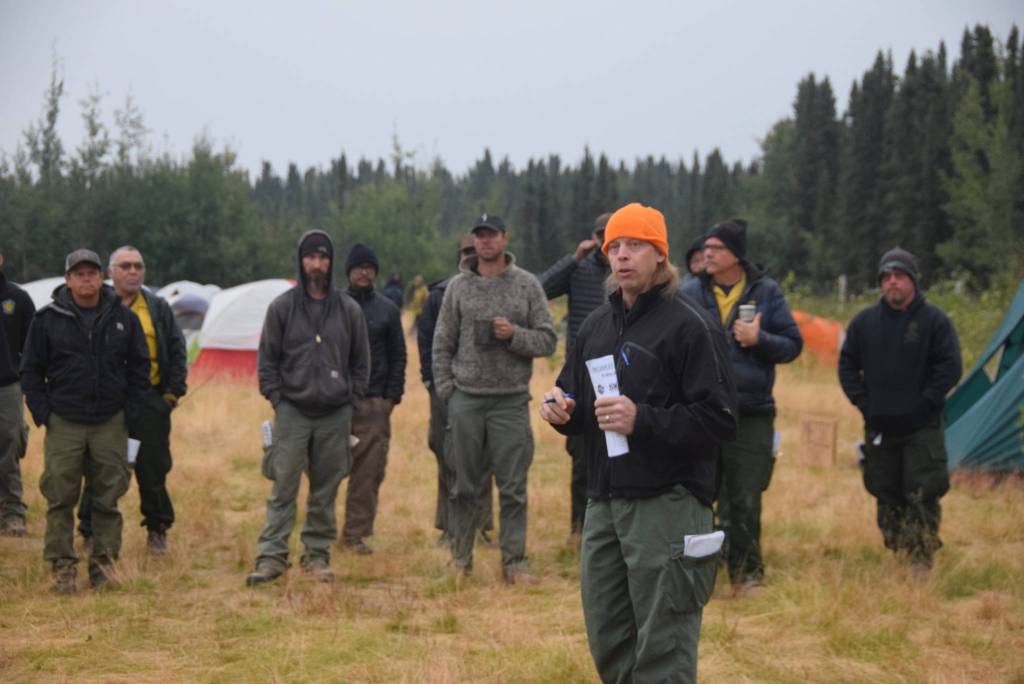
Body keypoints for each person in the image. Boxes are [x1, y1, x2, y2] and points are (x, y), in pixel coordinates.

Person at [540, 202, 737, 683]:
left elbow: (720, 419)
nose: (623, 255)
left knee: (662, 643)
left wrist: (642, 419)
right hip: (605, 502)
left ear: (659, 255)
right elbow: (576, 397)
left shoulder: (692, 325)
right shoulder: (595, 326)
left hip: (667, 502)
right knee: (608, 635)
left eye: (635, 246)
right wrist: (561, 410)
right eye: (615, 246)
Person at [680, 218, 802, 596]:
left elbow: (792, 345)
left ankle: (748, 574)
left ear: (736, 255)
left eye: (716, 248)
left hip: (750, 413)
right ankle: (699, 573)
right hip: (701, 413)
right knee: (698, 494)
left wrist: (759, 338)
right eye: (706, 248)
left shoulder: (766, 293)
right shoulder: (687, 292)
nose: (707, 254)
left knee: (745, 496)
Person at [432, 213, 556, 583]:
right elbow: (442, 343)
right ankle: (460, 559)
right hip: (466, 398)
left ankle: (514, 562)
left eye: (492, 235)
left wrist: (514, 334)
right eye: (480, 236)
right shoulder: (458, 287)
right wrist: (447, 391)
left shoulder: (527, 285)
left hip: (510, 400)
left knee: (513, 487)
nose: (486, 242)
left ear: (505, 238)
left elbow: (548, 340)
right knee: (463, 485)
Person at [20, 249, 150, 592]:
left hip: (110, 421)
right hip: (64, 421)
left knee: (108, 496)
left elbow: (140, 369)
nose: (86, 279)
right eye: (78, 274)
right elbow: (31, 370)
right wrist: (44, 413)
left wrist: (130, 413)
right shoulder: (47, 319)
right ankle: (62, 567)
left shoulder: (123, 318)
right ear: (67, 279)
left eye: (91, 273)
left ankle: (104, 566)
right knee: (60, 497)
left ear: (101, 277)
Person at [247, 230, 370, 586]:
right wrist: (277, 398)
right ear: (301, 262)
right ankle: (271, 557)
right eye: (310, 257)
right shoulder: (282, 308)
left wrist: (352, 399)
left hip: (335, 412)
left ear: (331, 262)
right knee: (283, 486)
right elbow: (267, 359)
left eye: (323, 257)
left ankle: (316, 556)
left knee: (325, 489)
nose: (316, 264)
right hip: (292, 411)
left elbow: (361, 362)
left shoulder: (348, 310)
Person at [839, 247, 961, 576]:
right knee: (885, 490)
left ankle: (920, 557)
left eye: (900, 276)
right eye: (887, 277)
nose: (893, 282)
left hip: (921, 425)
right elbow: (847, 365)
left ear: (913, 281)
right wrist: (864, 403)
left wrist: (925, 403)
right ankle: (899, 546)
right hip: (879, 424)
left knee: (922, 491)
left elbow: (949, 367)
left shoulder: (934, 321)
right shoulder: (864, 322)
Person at [77, 246, 187, 555]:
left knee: (153, 470)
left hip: (150, 402)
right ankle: (89, 530)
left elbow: (177, 351)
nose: (133, 271)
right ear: (110, 273)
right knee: (99, 469)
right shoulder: (96, 305)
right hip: (106, 405)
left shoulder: (157, 307)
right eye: (125, 266)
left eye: (138, 266)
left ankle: (157, 530)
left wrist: (171, 394)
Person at [417, 235, 495, 547]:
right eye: (465, 251)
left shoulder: (496, 290)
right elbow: (426, 341)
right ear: (459, 256)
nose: (471, 255)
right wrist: (432, 382)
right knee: (447, 456)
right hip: (445, 390)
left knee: (484, 458)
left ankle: (480, 526)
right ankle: (449, 527)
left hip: (486, 390)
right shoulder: (439, 294)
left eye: (475, 250)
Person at [539, 212, 611, 543]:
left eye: (610, 234)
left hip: (623, 373)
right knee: (582, 459)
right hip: (582, 376)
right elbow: (539, 289)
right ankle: (579, 530)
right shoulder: (580, 269)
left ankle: (613, 528)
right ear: (592, 237)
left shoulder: (629, 270)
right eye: (600, 234)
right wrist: (572, 259)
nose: (605, 242)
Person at [339, 243, 407, 555]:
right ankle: (319, 530)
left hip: (374, 402)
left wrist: (391, 398)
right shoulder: (334, 305)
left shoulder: (387, 310)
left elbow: (398, 356)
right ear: (348, 272)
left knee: (368, 473)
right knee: (325, 469)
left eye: (369, 267)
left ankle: (355, 535)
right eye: (358, 267)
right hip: (336, 403)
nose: (364, 272)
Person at [0, 250, 35, 537]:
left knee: (10, 443)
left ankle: (13, 510)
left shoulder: (17, 298)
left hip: (7, 385)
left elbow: (33, 345)